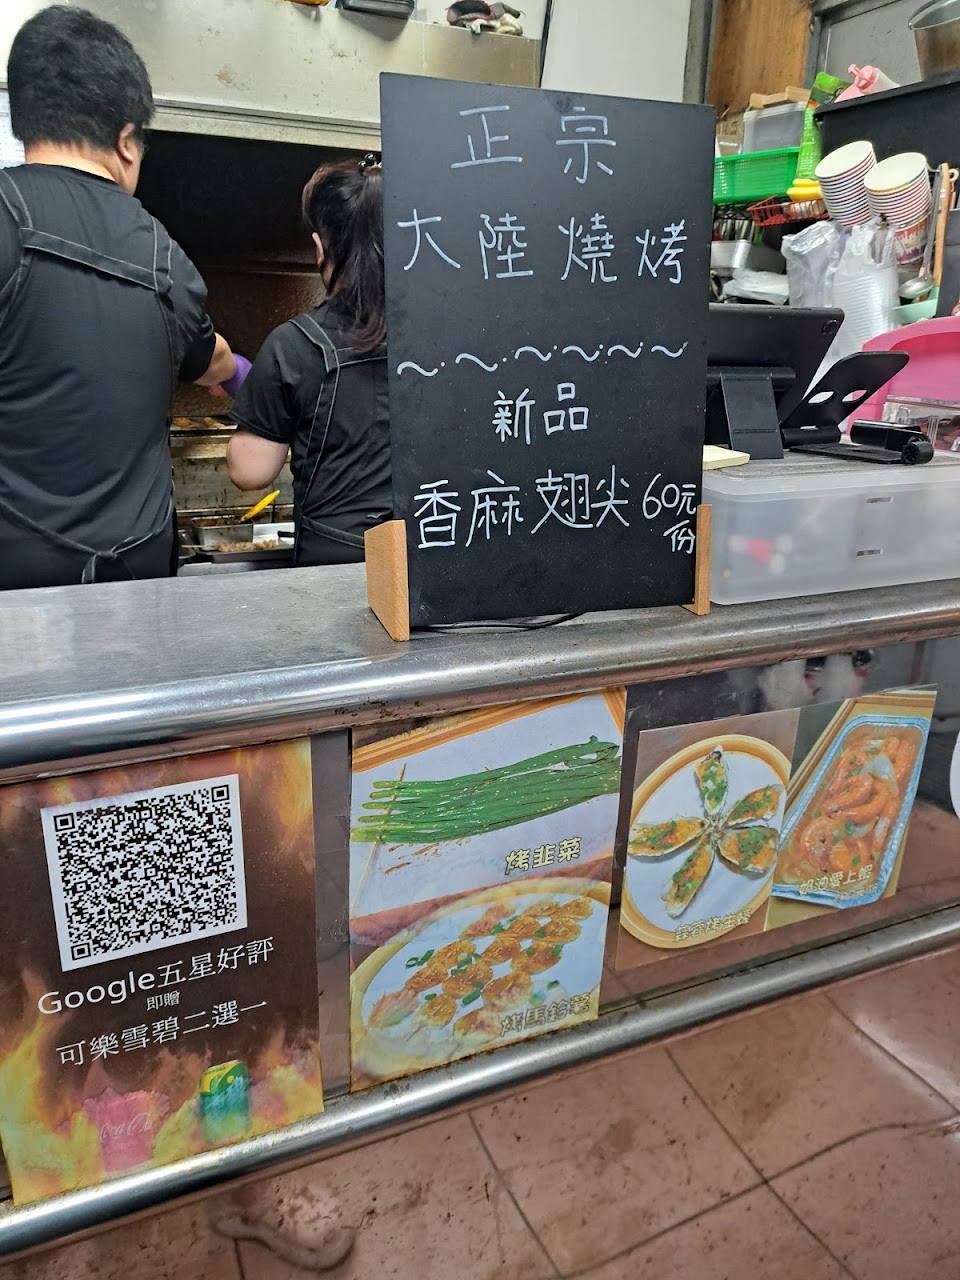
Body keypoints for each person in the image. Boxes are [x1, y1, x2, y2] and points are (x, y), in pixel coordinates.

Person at [0, 6, 250, 591]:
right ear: (126, 141)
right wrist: (245, 374)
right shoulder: (163, 257)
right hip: (134, 582)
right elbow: (211, 358)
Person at [227, 155, 389, 566]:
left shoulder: (293, 346)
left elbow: (250, 471)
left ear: (319, 247)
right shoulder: (443, 339)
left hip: (336, 564)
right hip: (430, 549)